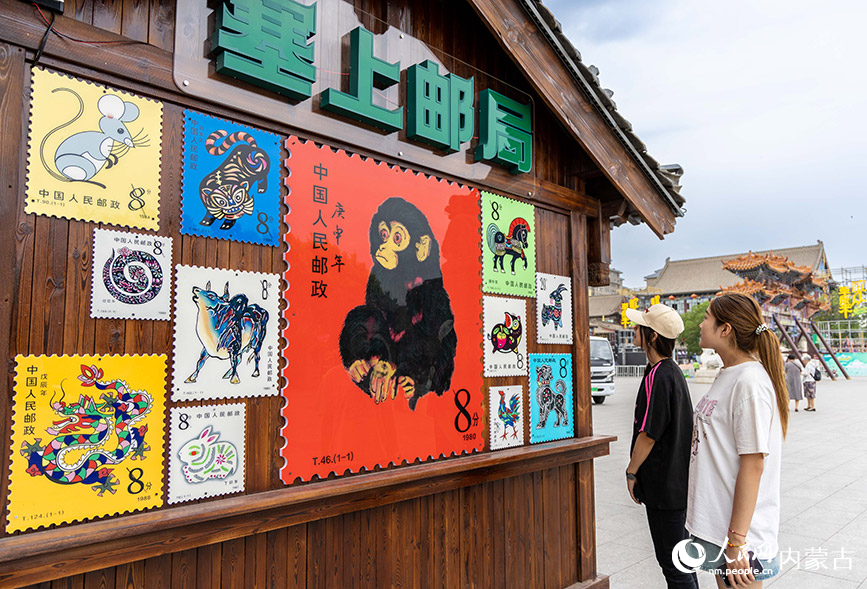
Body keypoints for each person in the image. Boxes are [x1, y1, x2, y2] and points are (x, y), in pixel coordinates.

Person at [687, 293, 785, 587]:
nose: (701, 324)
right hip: (719, 523)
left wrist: (737, 540)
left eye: (706, 317)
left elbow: (753, 464)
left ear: (725, 329)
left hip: (741, 536)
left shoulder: (749, 382)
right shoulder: (729, 373)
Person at [624, 303, 698, 589]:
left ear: (652, 336)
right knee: (681, 563)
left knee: (673, 565)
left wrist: (631, 472)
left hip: (665, 487)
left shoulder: (660, 375)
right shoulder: (670, 372)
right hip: (676, 484)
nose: (634, 329)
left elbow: (649, 434)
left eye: (640, 325)